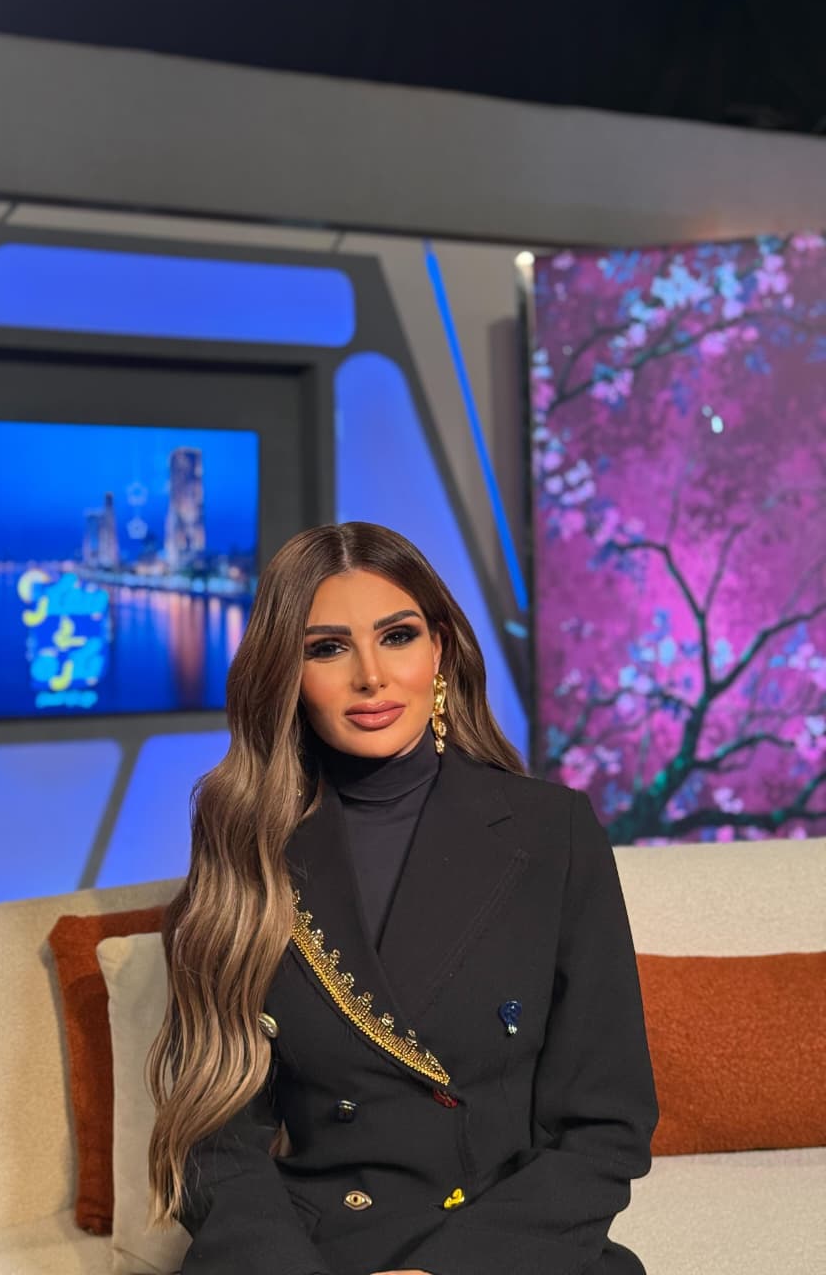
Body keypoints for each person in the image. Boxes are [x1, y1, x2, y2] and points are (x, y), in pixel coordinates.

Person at [148, 521, 658, 1275]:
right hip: (311, 1254)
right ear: (286, 674)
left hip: (506, 1251)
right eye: (327, 648)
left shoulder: (554, 831)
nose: (371, 677)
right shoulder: (241, 849)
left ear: (439, 650)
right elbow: (216, 1142)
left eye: (397, 637)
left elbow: (606, 1128)